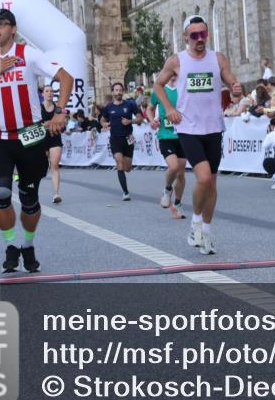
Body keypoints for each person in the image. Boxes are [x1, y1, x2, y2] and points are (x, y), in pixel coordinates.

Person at [0, 9, 73, 274]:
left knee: (29, 199)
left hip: (29, 135)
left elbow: (65, 78)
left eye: (1, 24)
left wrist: (60, 111)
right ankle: (10, 245)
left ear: (13, 28)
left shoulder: (28, 55)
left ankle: (28, 244)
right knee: (1, 195)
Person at [152, 15, 242, 256]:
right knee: (202, 178)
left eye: (203, 34)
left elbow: (230, 78)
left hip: (213, 127)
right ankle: (195, 223)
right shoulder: (177, 61)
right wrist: (169, 109)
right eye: (195, 35)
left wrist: (235, 87)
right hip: (188, 128)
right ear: (186, 37)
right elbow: (158, 86)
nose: (200, 40)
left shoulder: (217, 58)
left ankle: (207, 233)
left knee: (212, 183)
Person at [148, 74, 188, 219]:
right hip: (166, 135)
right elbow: (149, 108)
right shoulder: (159, 90)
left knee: (181, 174)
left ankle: (177, 203)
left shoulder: (184, 88)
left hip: (183, 135)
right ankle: (167, 189)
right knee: (174, 167)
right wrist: (152, 121)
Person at [101, 82, 143, 200]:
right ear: (113, 92)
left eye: (120, 90)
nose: (118, 92)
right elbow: (102, 120)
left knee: (127, 168)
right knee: (119, 163)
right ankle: (125, 192)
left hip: (128, 138)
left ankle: (125, 172)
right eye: (116, 90)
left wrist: (130, 121)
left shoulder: (130, 104)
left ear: (123, 91)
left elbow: (140, 118)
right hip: (115, 139)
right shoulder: (109, 107)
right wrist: (104, 124)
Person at [40, 85, 65, 203]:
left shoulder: (58, 109)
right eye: (47, 91)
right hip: (41, 139)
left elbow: (63, 124)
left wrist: (61, 124)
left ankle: (56, 194)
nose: (49, 93)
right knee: (40, 167)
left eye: (51, 91)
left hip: (55, 138)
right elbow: (31, 125)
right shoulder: (38, 108)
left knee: (55, 165)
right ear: (43, 94)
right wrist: (43, 125)